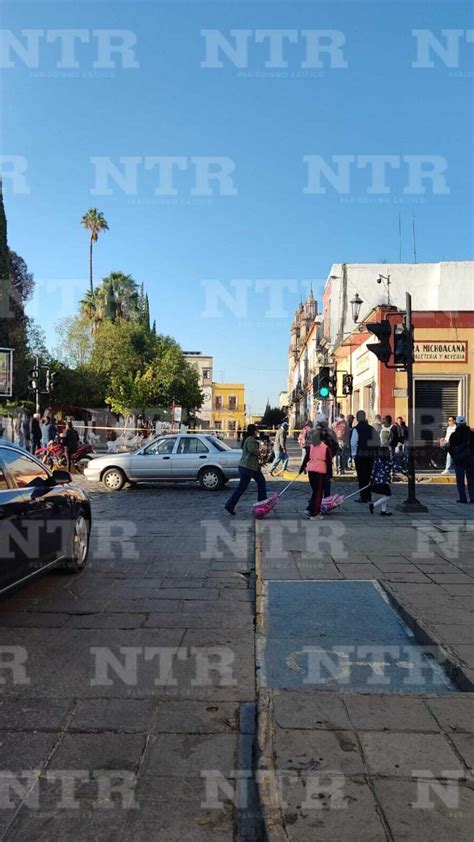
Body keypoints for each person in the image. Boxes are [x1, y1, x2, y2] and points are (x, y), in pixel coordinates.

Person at [225, 424, 267, 514]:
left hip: (249, 467)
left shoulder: (248, 439)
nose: (257, 432)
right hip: (249, 468)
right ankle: (262, 504)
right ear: (253, 431)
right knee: (260, 482)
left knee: (243, 487)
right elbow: (252, 451)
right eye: (256, 430)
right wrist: (261, 451)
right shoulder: (250, 440)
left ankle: (230, 505)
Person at [299, 427, 333, 519]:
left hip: (311, 471)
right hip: (320, 472)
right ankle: (315, 513)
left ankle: (309, 509)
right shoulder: (325, 448)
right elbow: (329, 462)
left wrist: (301, 469)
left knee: (315, 492)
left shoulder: (311, 447)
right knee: (318, 494)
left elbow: (306, 459)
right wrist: (330, 475)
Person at [351, 410, 380, 502]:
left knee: (361, 477)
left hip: (360, 456)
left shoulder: (356, 429)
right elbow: (377, 442)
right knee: (368, 476)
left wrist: (353, 455)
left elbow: (353, 443)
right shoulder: (372, 429)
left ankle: (364, 496)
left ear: (357, 418)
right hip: (370, 456)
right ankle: (368, 495)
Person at [448, 416, 474, 504]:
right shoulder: (471, 434)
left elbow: (450, 448)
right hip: (470, 459)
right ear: (465, 423)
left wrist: (454, 456)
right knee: (471, 479)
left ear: (457, 424)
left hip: (459, 460)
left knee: (460, 479)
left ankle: (463, 498)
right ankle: (472, 497)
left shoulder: (454, 435)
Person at [315, 413, 338, 497]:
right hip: (326, 462)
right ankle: (326, 500)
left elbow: (308, 447)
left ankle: (316, 500)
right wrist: (330, 455)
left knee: (316, 483)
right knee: (326, 482)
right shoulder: (331, 433)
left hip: (316, 462)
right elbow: (336, 447)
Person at [368, 446, 394, 517]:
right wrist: (406, 473)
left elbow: (373, 471)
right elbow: (396, 467)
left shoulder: (377, 460)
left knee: (384, 495)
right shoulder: (388, 461)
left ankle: (383, 510)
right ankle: (373, 505)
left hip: (377, 480)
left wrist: (371, 479)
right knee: (388, 496)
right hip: (384, 481)